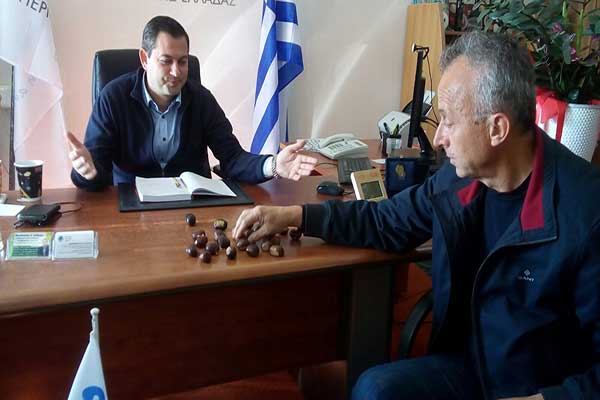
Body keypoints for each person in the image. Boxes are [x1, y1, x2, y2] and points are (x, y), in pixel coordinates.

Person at [233, 31, 600, 400]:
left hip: (538, 389)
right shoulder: (458, 180)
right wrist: (293, 216)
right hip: (469, 369)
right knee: (376, 388)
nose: (438, 139)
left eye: (449, 121)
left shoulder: (587, 213)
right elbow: (385, 221)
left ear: (497, 128)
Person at [66, 16, 316, 190]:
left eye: (183, 61)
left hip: (191, 207)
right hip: (132, 207)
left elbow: (232, 158)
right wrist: (85, 172)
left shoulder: (201, 100)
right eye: (166, 61)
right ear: (144, 59)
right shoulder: (113, 97)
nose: (176, 72)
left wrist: (273, 164)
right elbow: (95, 169)